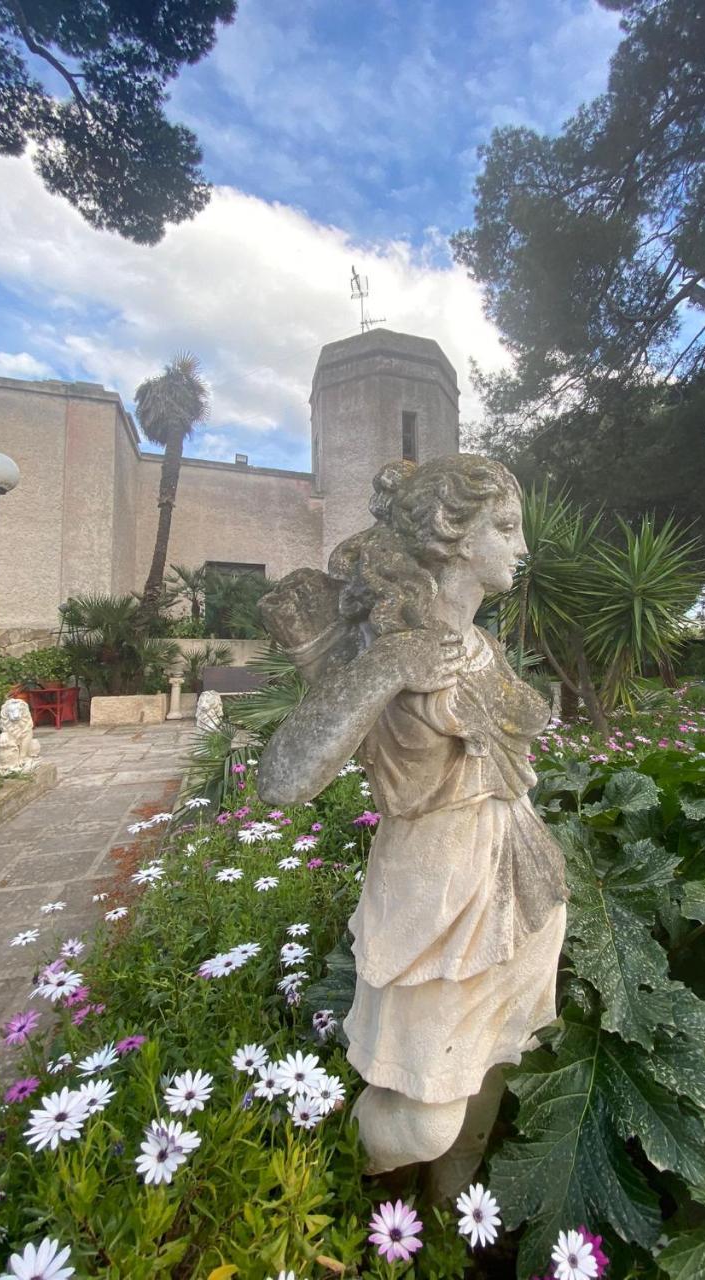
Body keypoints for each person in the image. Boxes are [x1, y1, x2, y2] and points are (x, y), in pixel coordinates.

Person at [258, 455, 567, 1194]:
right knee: (425, 1118)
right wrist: (390, 664)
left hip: (521, 883)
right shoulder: (383, 643)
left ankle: (443, 1229)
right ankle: (307, 1179)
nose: (521, 550)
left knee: (491, 1069)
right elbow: (282, 781)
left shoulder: (484, 648)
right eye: (505, 528)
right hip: (433, 901)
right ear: (451, 535)